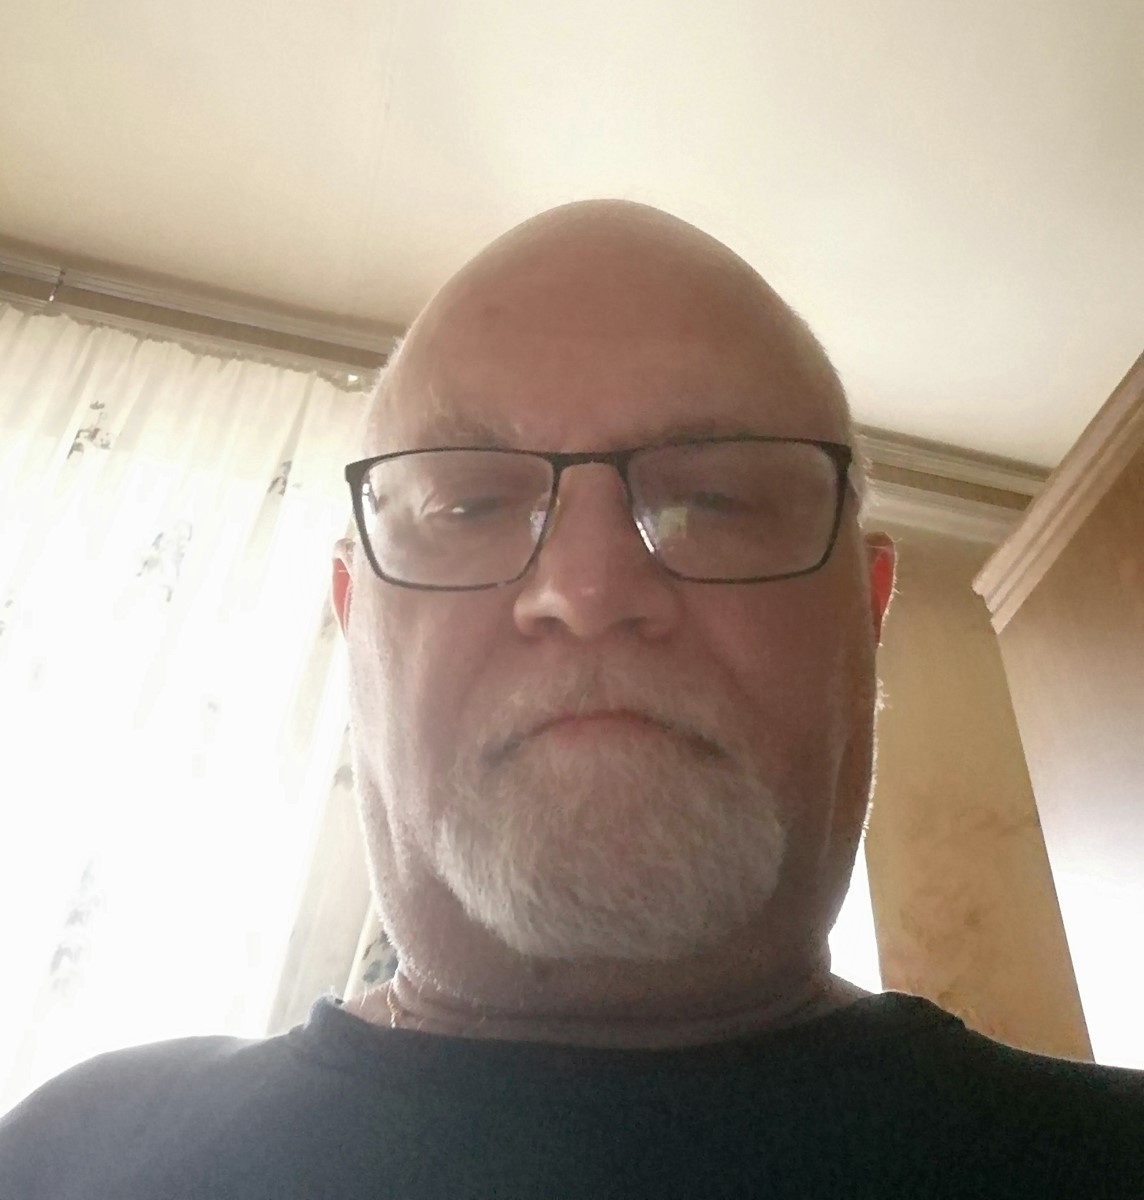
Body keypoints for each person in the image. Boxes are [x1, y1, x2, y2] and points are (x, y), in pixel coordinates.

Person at [1, 200, 1141, 1198]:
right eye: (467, 506)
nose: (588, 591)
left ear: (865, 612)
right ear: (354, 622)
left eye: (715, 500)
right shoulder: (69, 1159)